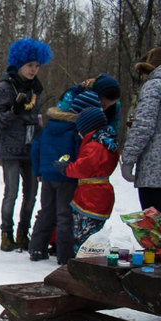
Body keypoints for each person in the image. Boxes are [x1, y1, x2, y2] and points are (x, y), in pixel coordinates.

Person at [0, 37, 52, 252]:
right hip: (10, 150)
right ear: (19, 63)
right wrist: (12, 112)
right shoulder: (4, 88)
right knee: (11, 193)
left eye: (37, 65)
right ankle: (6, 234)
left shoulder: (36, 89)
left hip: (31, 149)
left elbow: (35, 118)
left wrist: (42, 139)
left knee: (31, 194)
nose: (34, 70)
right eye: (29, 65)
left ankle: (24, 233)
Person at [28, 90, 101, 264]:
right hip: (66, 177)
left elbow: (35, 149)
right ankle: (65, 254)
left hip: (47, 176)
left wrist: (38, 172)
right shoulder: (74, 130)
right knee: (64, 215)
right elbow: (78, 154)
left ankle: (36, 248)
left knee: (46, 212)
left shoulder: (47, 128)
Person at [53, 107, 119, 253]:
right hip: (103, 193)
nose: (79, 133)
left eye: (80, 129)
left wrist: (66, 168)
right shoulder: (107, 143)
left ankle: (83, 259)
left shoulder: (94, 146)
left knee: (83, 236)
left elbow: (83, 167)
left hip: (90, 196)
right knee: (95, 234)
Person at [121, 47, 161, 212]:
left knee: (155, 225)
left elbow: (143, 125)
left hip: (155, 174)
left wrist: (128, 159)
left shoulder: (154, 86)